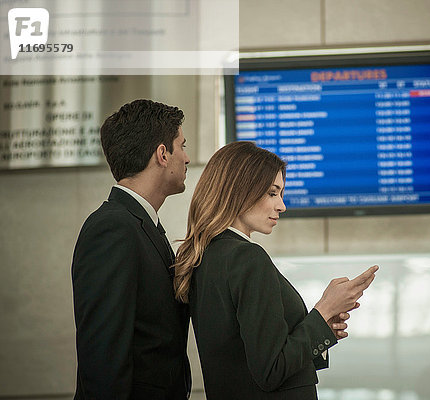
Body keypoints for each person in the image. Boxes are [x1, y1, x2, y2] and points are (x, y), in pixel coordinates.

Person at [173, 141, 378, 399]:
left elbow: (244, 358)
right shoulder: (247, 257)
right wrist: (324, 309)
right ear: (239, 190)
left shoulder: (207, 256)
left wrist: (321, 326)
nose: (281, 206)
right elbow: (271, 371)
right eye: (272, 193)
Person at [71, 99, 192, 399]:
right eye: (183, 145)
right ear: (162, 154)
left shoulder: (141, 224)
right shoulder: (112, 228)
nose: (188, 158)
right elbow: (103, 355)